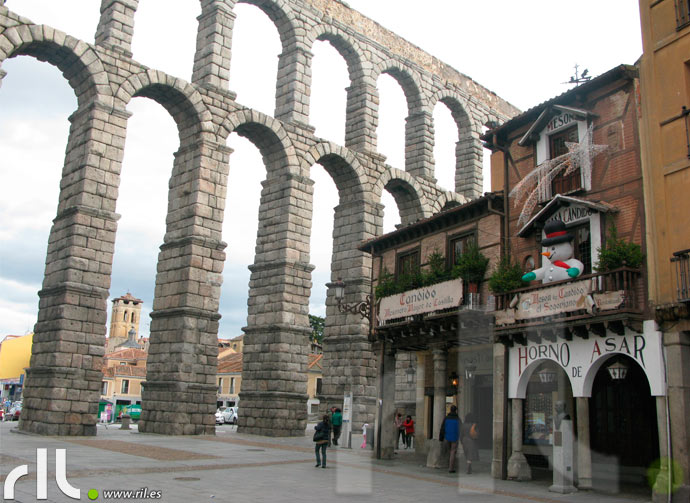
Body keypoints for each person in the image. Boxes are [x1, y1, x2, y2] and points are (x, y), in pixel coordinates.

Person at [439, 405, 461, 473]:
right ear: (456, 410)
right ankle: (451, 468)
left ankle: (448, 464)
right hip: (454, 437)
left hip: (446, 437)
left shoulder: (446, 418)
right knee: (453, 452)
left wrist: (441, 437)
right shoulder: (458, 419)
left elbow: (442, 428)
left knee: (449, 451)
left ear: (450, 410)